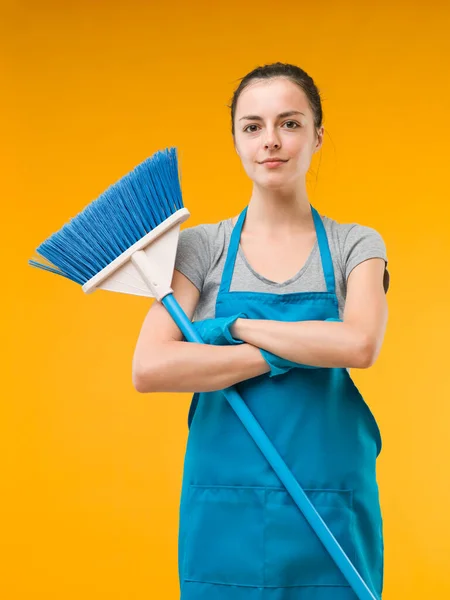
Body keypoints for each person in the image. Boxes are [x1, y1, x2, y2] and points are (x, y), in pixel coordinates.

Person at [132, 62, 389, 599]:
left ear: (317, 134)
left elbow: (359, 345)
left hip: (329, 500)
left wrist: (230, 327)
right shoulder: (202, 247)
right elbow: (151, 367)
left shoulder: (354, 246)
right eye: (252, 126)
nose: (270, 141)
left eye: (289, 123)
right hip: (227, 509)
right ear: (235, 140)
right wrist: (289, 347)